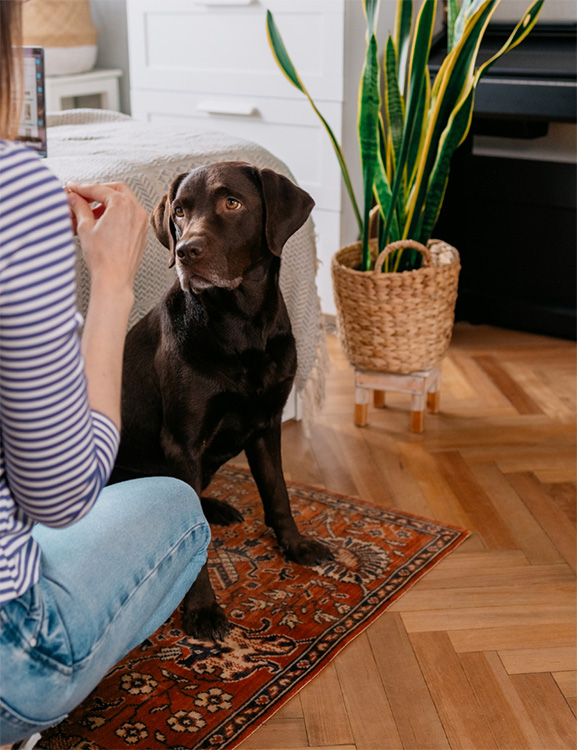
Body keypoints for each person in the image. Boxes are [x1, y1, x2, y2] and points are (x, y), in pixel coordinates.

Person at [0, 2, 211, 746]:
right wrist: (114, 281)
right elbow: (61, 496)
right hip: (7, 663)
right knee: (177, 509)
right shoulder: (13, 187)